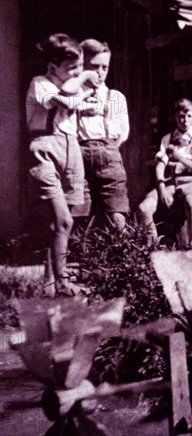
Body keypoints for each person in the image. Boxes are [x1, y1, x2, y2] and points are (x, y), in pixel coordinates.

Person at [26, 33, 100, 296]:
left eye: (79, 66)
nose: (77, 72)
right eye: (71, 68)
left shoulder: (73, 82)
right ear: (52, 67)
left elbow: (83, 103)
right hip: (46, 149)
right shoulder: (41, 84)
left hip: (70, 148)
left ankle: (49, 284)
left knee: (59, 225)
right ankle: (63, 281)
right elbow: (67, 99)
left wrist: (84, 86)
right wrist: (84, 80)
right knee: (63, 220)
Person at [73, 39, 130, 230]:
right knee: (79, 213)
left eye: (104, 67)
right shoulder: (71, 96)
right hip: (77, 155)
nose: (100, 73)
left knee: (117, 216)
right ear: (82, 66)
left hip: (109, 157)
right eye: (94, 66)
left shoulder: (115, 97)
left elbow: (123, 133)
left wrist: (107, 150)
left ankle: (121, 257)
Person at [138, 98, 192, 246]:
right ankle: (153, 247)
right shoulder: (167, 139)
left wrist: (179, 157)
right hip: (170, 182)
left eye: (189, 116)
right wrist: (162, 189)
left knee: (191, 201)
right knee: (144, 208)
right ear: (176, 117)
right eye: (181, 116)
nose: (184, 120)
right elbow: (160, 167)